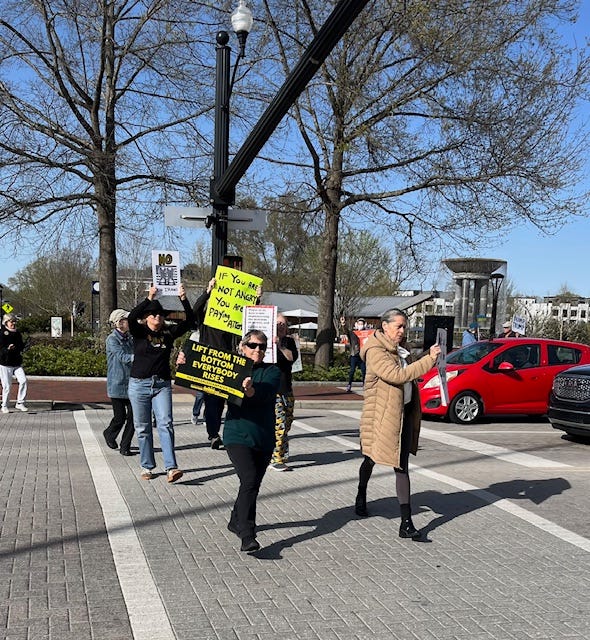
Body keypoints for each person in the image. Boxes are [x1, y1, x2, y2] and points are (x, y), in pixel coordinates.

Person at [354, 308, 441, 540]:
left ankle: (406, 522)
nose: (402, 331)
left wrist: (428, 355)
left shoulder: (402, 349)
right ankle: (361, 494)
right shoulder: (375, 350)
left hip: (403, 416)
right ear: (385, 326)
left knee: (402, 467)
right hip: (381, 417)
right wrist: (429, 360)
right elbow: (397, 376)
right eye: (398, 326)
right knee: (370, 458)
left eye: (404, 326)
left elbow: (410, 371)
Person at [127, 284, 193, 482]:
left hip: (161, 385)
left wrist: (183, 299)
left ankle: (171, 467)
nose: (157, 317)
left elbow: (190, 321)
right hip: (139, 384)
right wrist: (149, 298)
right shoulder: (139, 331)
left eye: (160, 314)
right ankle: (147, 466)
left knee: (166, 423)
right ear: (146, 317)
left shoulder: (168, 333)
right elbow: (131, 317)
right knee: (143, 427)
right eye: (153, 314)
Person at [224, 330, 281, 553]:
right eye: (253, 345)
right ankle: (247, 534)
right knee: (248, 480)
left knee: (252, 485)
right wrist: (186, 365)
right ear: (242, 347)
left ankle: (234, 520)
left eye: (262, 346)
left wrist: (250, 390)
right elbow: (206, 383)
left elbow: (265, 393)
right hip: (237, 435)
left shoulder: (272, 371)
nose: (258, 350)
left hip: (263, 438)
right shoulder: (230, 367)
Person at [191, 277, 236, 450]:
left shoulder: (231, 322)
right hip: (210, 364)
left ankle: (228, 434)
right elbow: (196, 309)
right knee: (212, 403)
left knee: (226, 403)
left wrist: (256, 298)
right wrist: (208, 291)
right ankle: (213, 434)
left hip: (229, 364)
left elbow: (248, 316)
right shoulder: (205, 321)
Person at [103, 309, 135, 456]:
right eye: (127, 320)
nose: (129, 322)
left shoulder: (130, 338)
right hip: (117, 384)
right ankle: (109, 434)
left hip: (132, 384)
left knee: (134, 418)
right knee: (120, 418)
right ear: (120, 322)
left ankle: (125, 446)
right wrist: (140, 357)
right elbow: (123, 357)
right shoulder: (112, 340)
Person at [269, 314, 298, 471]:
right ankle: (276, 458)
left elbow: (291, 357)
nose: (280, 326)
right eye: (277, 323)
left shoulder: (289, 342)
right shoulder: (265, 341)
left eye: (283, 324)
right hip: (273, 390)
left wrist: (279, 345)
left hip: (286, 388)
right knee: (279, 424)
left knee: (287, 422)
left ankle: (281, 452)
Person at [0, 314, 28, 413]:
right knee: (7, 386)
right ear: (6, 322)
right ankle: (4, 405)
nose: (13, 323)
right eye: (11, 321)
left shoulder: (17, 333)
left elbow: (20, 346)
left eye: (15, 321)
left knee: (23, 380)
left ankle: (20, 402)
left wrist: (24, 346)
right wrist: (7, 349)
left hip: (16, 363)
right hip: (5, 363)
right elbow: (1, 348)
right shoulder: (2, 333)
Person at [341, 317, 367, 392]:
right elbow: (346, 331)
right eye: (359, 324)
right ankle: (349, 384)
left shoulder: (367, 333)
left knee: (364, 371)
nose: (360, 325)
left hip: (362, 355)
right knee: (352, 370)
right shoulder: (352, 333)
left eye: (362, 324)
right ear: (356, 324)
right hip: (354, 354)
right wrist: (343, 324)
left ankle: (365, 385)